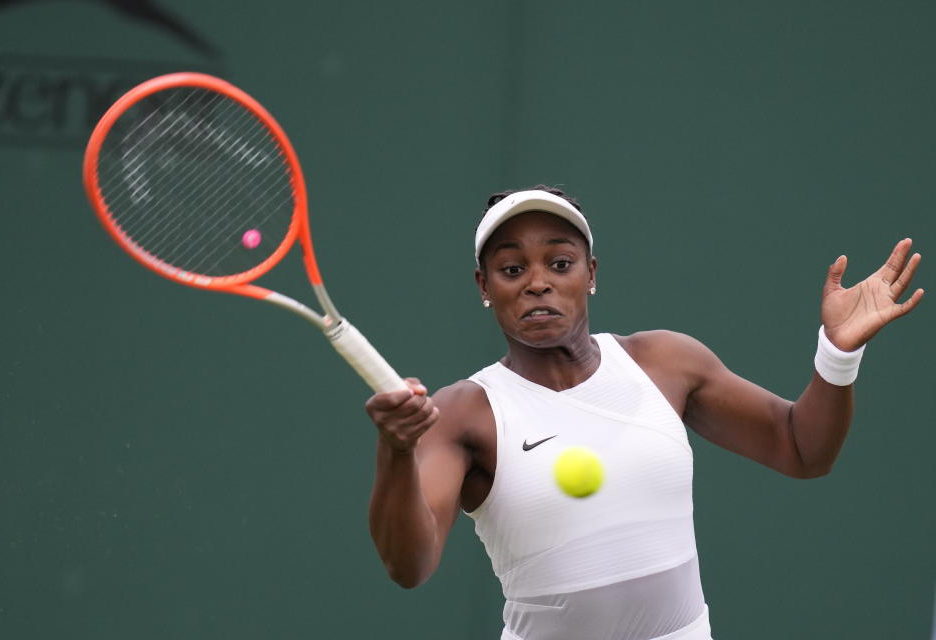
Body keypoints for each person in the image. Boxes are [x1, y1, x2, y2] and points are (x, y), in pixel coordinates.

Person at [365, 185, 924, 640]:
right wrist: (395, 450)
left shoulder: (666, 361)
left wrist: (838, 353)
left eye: (559, 262)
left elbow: (803, 450)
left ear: (591, 273)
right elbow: (408, 567)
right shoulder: (466, 410)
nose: (537, 282)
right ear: (484, 287)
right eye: (512, 270)